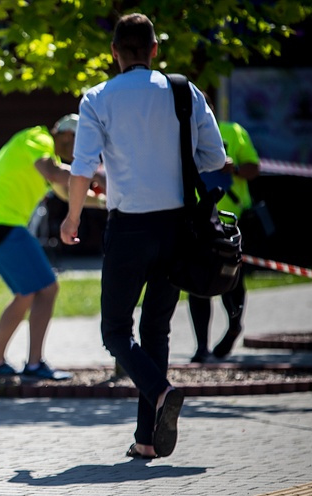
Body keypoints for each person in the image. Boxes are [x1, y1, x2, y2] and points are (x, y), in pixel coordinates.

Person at [60, 13, 226, 459]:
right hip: (177, 227)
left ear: (114, 51)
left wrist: (72, 217)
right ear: (155, 49)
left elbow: (82, 166)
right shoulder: (184, 91)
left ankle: (161, 391)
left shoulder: (98, 98)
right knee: (156, 329)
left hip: (129, 227)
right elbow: (215, 157)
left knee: (116, 331)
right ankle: (147, 438)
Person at [0, 122, 105, 382]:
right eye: (80, 142)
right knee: (47, 289)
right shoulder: (38, 138)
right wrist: (93, 176)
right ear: (66, 135)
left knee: (27, 294)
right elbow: (53, 173)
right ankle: (32, 364)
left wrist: (105, 202)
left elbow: (67, 192)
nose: (81, 151)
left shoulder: (50, 155)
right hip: (3, 225)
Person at [188, 94, 261, 363]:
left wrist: (234, 168)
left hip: (232, 220)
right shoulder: (182, 137)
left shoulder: (232, 131)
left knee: (232, 279)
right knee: (196, 282)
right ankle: (201, 347)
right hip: (197, 219)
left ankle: (233, 327)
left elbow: (254, 168)